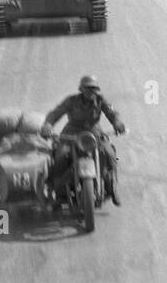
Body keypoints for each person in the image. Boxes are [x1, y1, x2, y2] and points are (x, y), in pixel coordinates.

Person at [42, 76, 126, 206]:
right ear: (81, 89)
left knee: (109, 153)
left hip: (94, 133)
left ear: (97, 90)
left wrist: (118, 123)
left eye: (94, 89)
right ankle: (60, 193)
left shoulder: (101, 100)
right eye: (87, 88)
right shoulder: (71, 101)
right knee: (60, 156)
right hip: (71, 133)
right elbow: (55, 113)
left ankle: (112, 187)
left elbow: (113, 113)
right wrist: (48, 125)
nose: (91, 92)